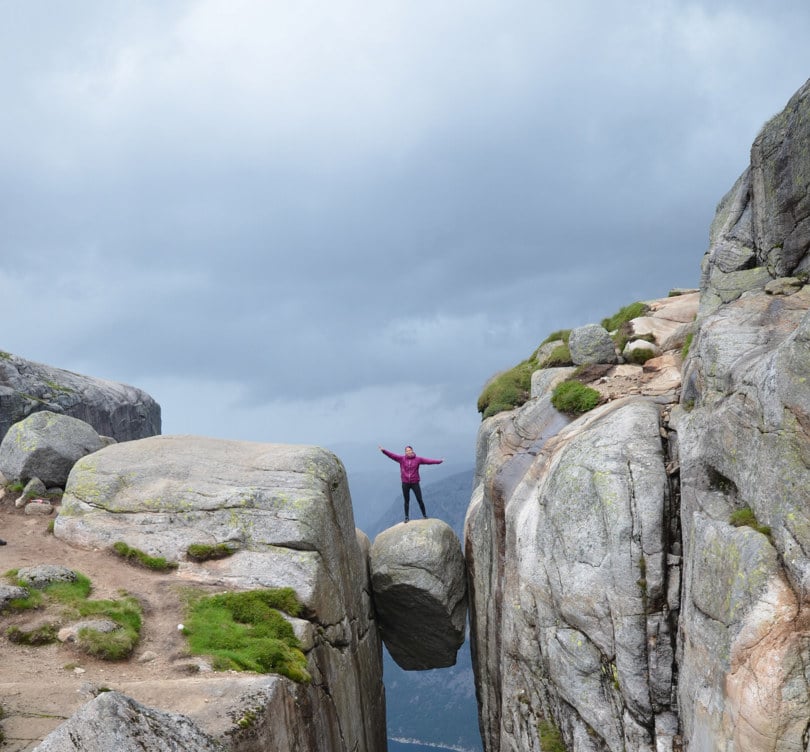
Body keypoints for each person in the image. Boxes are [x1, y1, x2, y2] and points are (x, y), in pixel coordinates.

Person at [378, 445, 444, 523]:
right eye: (407, 451)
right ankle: (406, 517)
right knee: (406, 501)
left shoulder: (418, 459)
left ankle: (424, 515)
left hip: (415, 482)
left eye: (410, 450)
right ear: (405, 452)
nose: (408, 452)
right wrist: (383, 451)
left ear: (412, 451)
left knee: (419, 499)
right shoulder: (401, 459)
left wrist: (439, 461)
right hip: (405, 483)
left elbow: (428, 461)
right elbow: (392, 455)